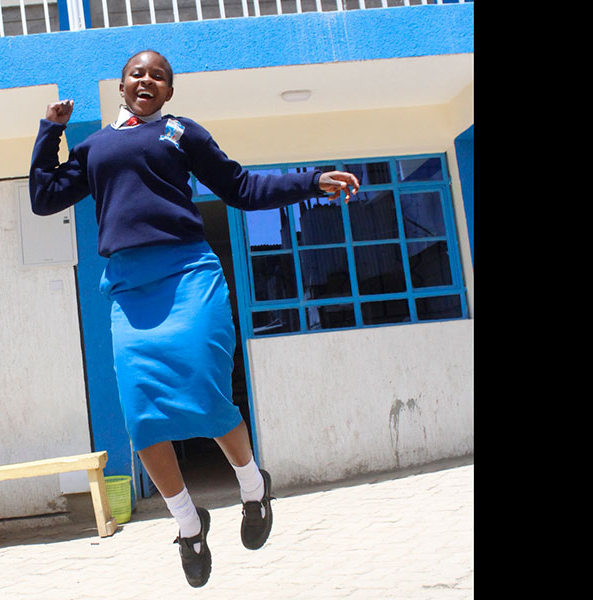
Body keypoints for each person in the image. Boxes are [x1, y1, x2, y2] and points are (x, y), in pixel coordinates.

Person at [29, 50, 359, 588]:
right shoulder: (94, 148)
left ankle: (254, 487)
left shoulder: (182, 133)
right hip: (130, 291)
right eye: (138, 73)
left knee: (206, 396)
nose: (147, 80)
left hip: (187, 276)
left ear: (169, 91)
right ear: (120, 85)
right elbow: (45, 197)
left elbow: (241, 188)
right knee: (143, 416)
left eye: (158, 76)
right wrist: (50, 132)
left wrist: (311, 180)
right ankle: (188, 523)